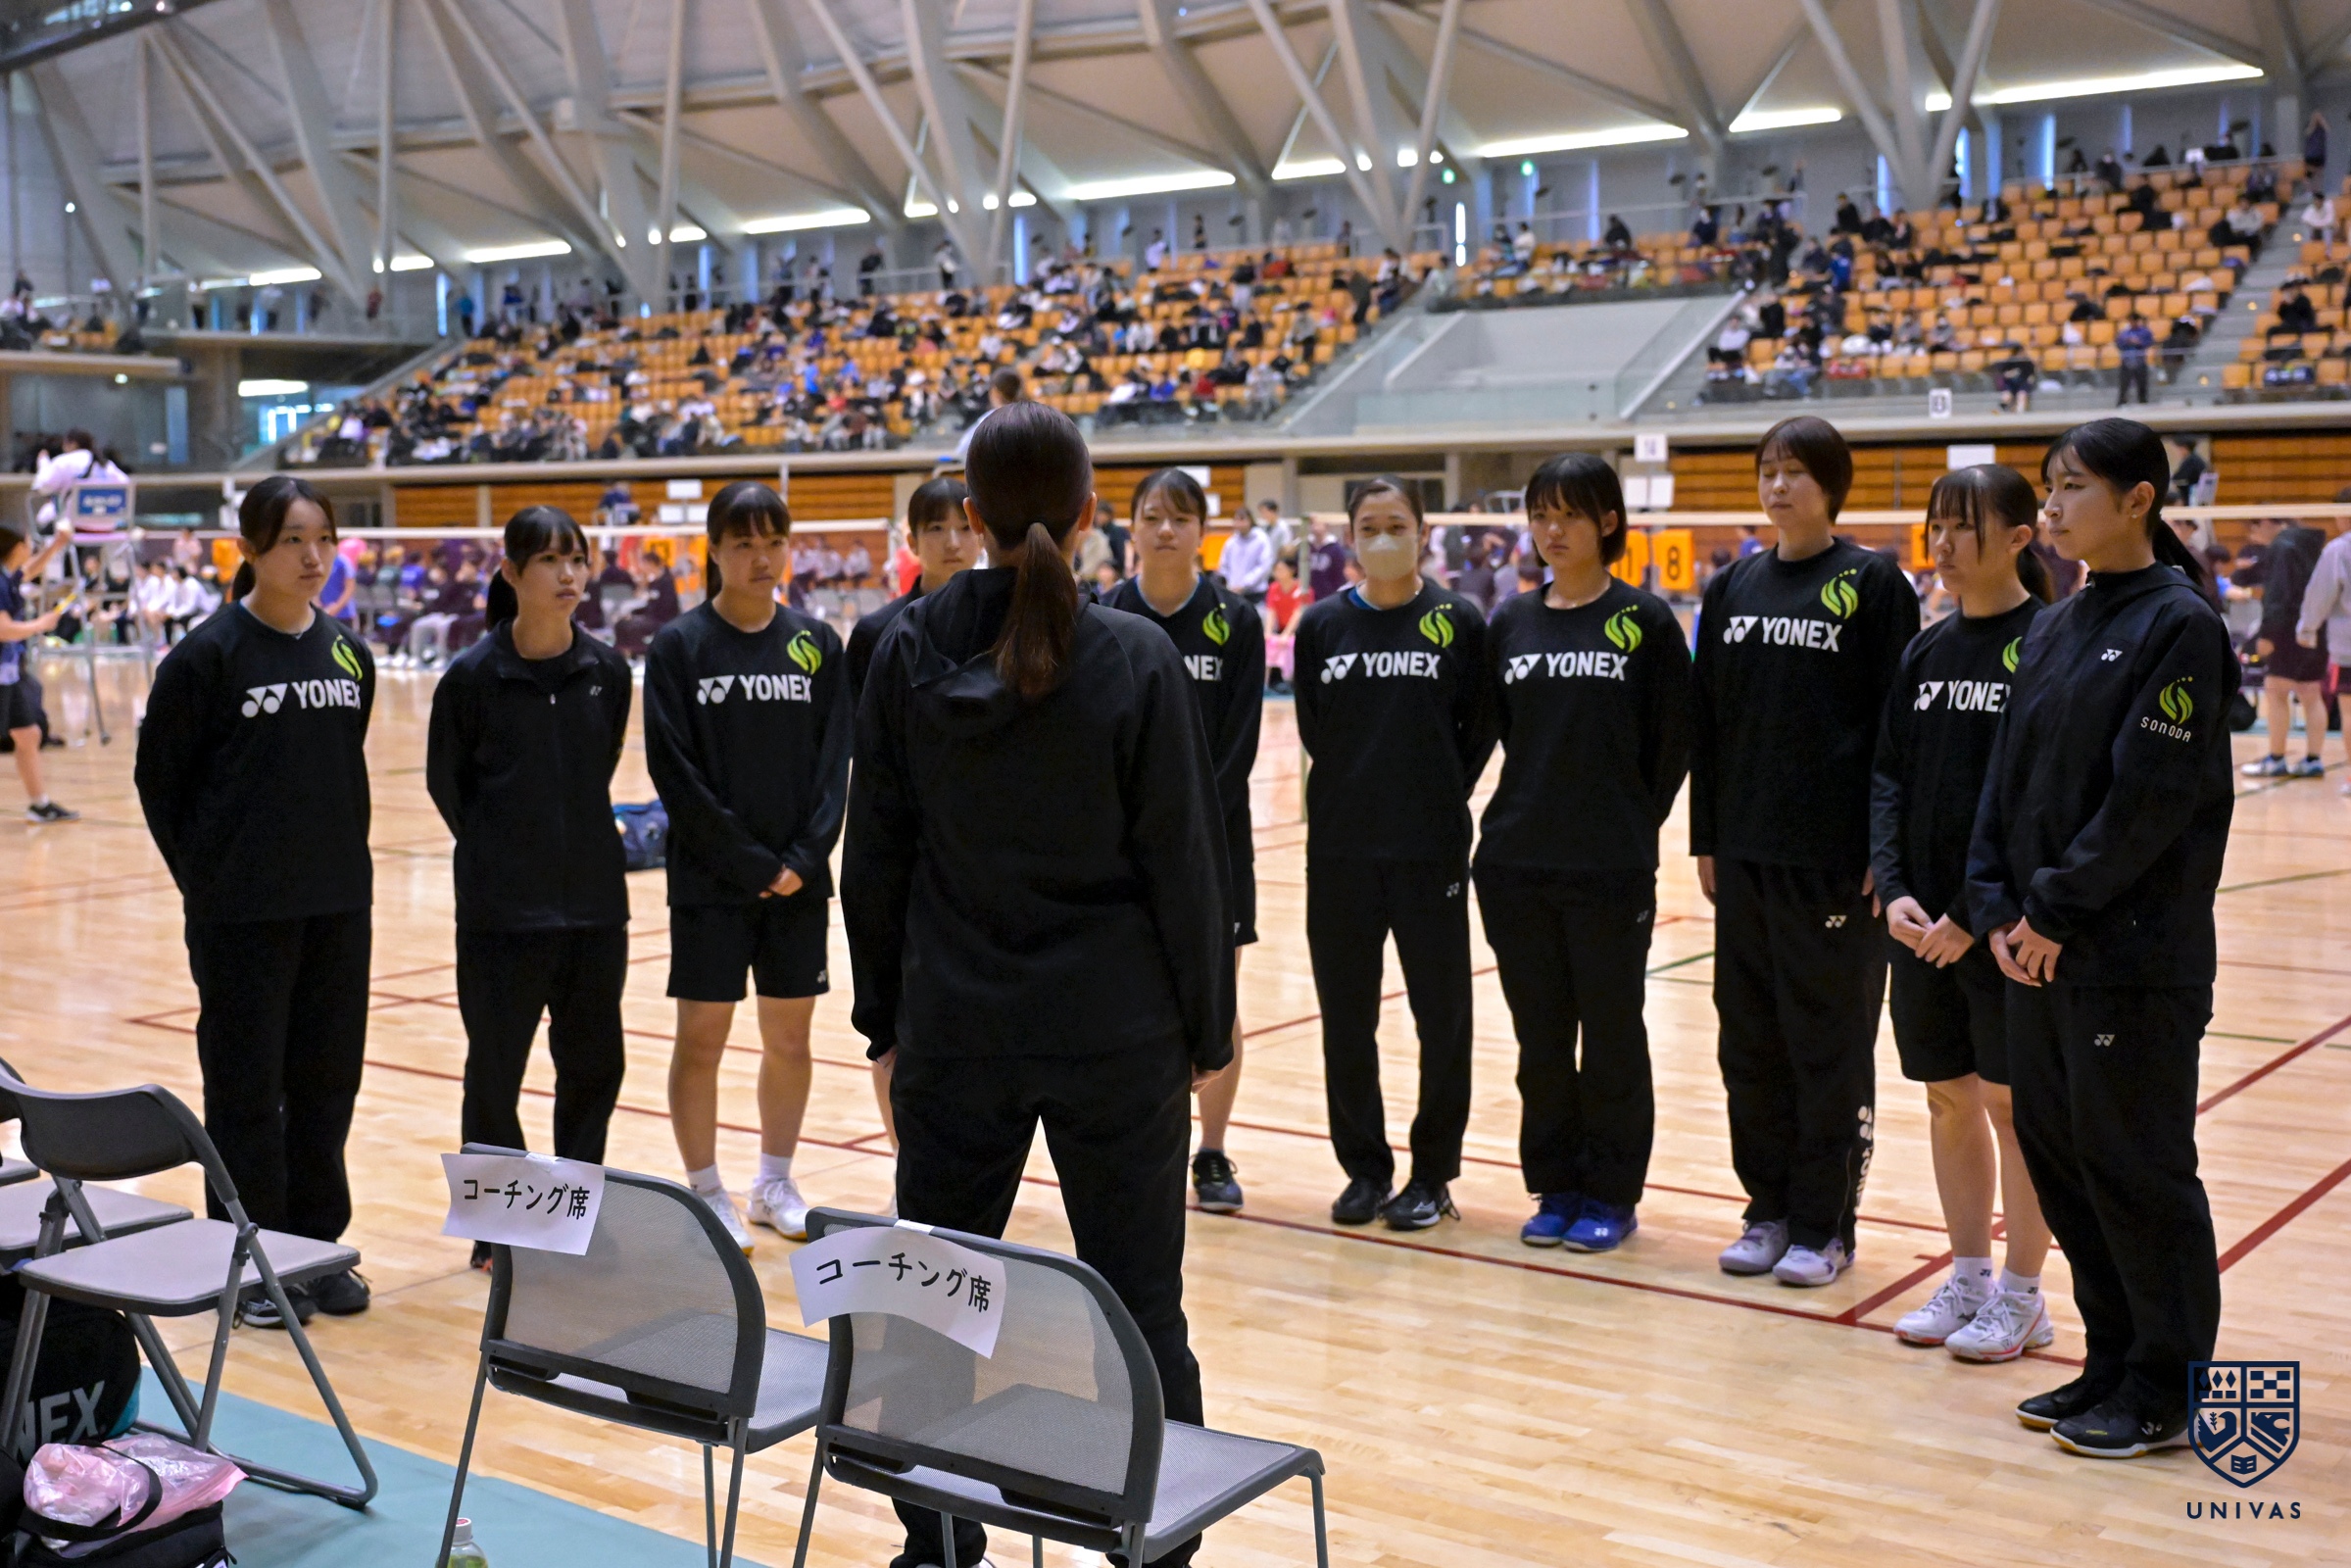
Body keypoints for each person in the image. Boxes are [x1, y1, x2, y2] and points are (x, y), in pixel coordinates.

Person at [843, 402, 1230, 1568]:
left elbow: (876, 858)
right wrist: (1205, 1029)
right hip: (1117, 1035)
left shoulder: (906, 649)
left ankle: (936, 1545)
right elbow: (1183, 861)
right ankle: (1154, 1542)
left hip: (957, 1029)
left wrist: (882, 1021)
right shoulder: (1136, 655)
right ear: (1090, 511)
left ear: (969, 516)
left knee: (930, 1302)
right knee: (1138, 1307)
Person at [1966, 418, 2236, 1458]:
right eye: (2047, 487)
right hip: (2035, 953)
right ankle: (2111, 1360)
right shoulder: (2053, 624)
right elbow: (2004, 780)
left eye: (2071, 486)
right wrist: (1996, 907)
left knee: (2136, 1170)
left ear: (2137, 499)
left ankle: (2168, 1383)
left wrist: (2051, 911)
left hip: (2128, 960)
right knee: (2065, 1162)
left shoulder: (2179, 625)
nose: (2050, 506)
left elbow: (2146, 802)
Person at [132, 474, 375, 1326]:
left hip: (338, 907)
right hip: (240, 916)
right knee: (246, 1091)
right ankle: (252, 1261)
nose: (312, 557)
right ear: (250, 550)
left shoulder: (347, 653)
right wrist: (210, 881)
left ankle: (315, 1248)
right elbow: (160, 782)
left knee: (326, 1084)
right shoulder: (207, 657)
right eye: (292, 541)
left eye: (322, 539)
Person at [1690, 416, 1920, 1286]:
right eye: (1766, 470)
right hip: (1744, 855)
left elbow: (1898, 731)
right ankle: (1768, 1209)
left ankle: (1826, 1225)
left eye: (1794, 471)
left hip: (1833, 863)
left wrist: (1883, 848)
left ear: (1831, 484)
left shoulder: (1871, 583)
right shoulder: (1731, 585)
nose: (1777, 485)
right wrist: (1706, 838)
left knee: (1826, 1047)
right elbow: (1708, 722)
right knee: (1747, 1042)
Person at [1477, 455, 1689, 1252]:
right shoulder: (1510, 622)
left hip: (1609, 869)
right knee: (1539, 1042)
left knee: (1610, 1038)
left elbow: (1671, 743)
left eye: (1568, 513)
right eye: (1540, 514)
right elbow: (1496, 729)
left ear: (1606, 521)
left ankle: (1610, 1192)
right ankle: (1555, 1185)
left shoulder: (1644, 621)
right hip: (1514, 865)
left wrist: (1624, 821)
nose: (1551, 529)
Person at [1872, 466, 2057, 1361]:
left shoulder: (2047, 644)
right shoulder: (1925, 650)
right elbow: (1888, 777)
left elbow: (2038, 800)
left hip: (1998, 929)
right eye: (1934, 527)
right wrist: (1893, 887)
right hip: (1920, 929)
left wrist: (1967, 911)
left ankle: (2023, 1296)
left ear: (2020, 536)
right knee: (1948, 1099)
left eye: (1961, 527)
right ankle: (1970, 1277)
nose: (1940, 545)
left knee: (2011, 1107)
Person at [643, 481, 852, 1250]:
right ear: (714, 551)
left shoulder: (815, 644)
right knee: (701, 1039)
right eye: (743, 544)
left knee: (789, 1040)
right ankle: (706, 1191)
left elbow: (834, 763)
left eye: (773, 542)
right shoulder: (679, 646)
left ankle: (773, 1183)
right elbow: (675, 772)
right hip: (710, 882)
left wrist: (801, 859)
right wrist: (748, 862)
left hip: (797, 882)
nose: (761, 558)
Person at [427, 507, 633, 1269]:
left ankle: (573, 1216)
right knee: (494, 1074)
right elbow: (448, 787)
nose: (568, 574)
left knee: (593, 1070)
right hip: (500, 914)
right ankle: (498, 1231)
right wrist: (505, 853)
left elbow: (598, 769)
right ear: (512, 573)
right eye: (549, 560)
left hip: (593, 911)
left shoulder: (607, 672)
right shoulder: (471, 679)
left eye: (576, 558)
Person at [1291, 478, 1496, 1230]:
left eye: (1396, 524)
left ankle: (1432, 1174)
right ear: (1350, 536)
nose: (1382, 538)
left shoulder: (1456, 621)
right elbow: (1315, 728)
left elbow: (1477, 729)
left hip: (1428, 853)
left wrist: (1433, 795)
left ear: (1422, 532)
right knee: (1347, 1021)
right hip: (1339, 853)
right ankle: (1363, 1169)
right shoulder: (1321, 626)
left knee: (1441, 1020)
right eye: (1369, 526)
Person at [1105, 467, 1265, 1214]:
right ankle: (1137, 1144)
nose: (1165, 529)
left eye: (1180, 517)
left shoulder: (1234, 621)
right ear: (1132, 528)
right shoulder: (1105, 613)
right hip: (1120, 851)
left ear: (1204, 531)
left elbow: (1238, 745)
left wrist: (1185, 829)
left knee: (1215, 997)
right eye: (1151, 516)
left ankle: (1210, 1150)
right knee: (1127, 995)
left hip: (1215, 850)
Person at [847, 476, 977, 700]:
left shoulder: (1004, 621)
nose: (953, 543)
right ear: (912, 542)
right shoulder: (875, 632)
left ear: (982, 536)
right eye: (937, 528)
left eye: (966, 528)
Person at [2236, 514, 2329, 778]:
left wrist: (2268, 633)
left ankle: (2275, 759)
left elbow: (2278, 593)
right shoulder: (2312, 545)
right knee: (2311, 692)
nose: (2253, 534)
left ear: (2269, 522)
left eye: (2254, 526)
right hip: (2316, 628)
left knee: (2275, 690)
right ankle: (2313, 760)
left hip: (2287, 630)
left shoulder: (2283, 546)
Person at [0, 524, 75, 822]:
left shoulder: (7, 576)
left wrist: (56, 545)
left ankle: (39, 804)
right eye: (29, 542)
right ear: (18, 547)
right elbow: (3, 629)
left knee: (28, 734)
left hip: (10, 671)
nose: (31, 547)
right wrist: (40, 625)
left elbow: (30, 570)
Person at [2294, 505, 2351, 789]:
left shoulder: (2339, 549)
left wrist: (2307, 628)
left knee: (2350, 711)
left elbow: (2320, 593)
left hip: (2348, 648)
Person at [1216, 502, 1275, 606]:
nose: (1239, 523)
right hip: (1234, 592)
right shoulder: (1231, 542)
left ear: (1250, 520)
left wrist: (1245, 584)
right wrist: (1230, 584)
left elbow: (1264, 566)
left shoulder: (1261, 539)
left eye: (1242, 519)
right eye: (1236, 520)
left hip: (1255, 594)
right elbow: (1224, 566)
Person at [2116, 314, 2153, 405]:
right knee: (2124, 383)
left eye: (2134, 321)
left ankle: (2142, 401)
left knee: (2142, 384)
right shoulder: (2124, 333)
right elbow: (2119, 344)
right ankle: (2122, 402)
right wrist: (2127, 342)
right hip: (2127, 361)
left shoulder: (2145, 332)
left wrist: (2138, 342)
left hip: (2140, 361)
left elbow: (2149, 342)